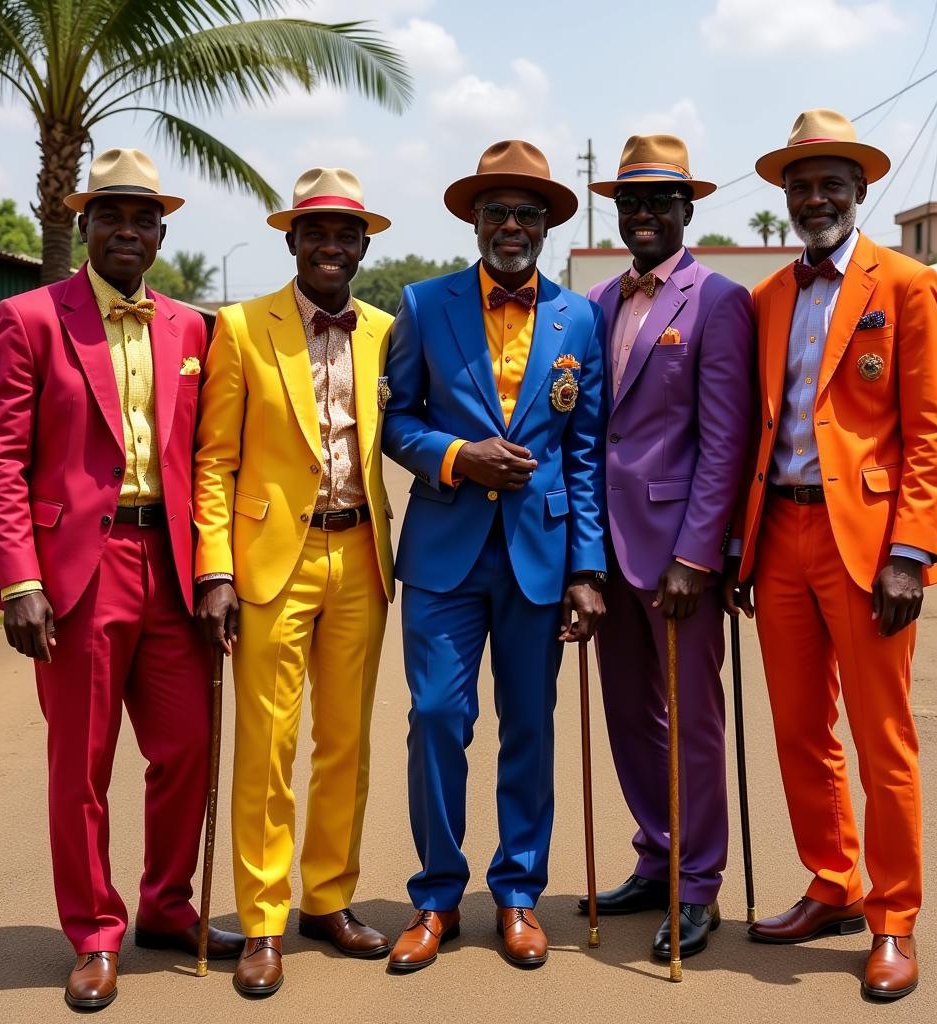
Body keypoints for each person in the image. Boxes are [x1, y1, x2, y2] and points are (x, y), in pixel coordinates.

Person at [0, 148, 243, 1011]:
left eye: (143, 219)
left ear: (162, 233)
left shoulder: (192, 328)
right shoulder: (30, 317)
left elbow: (208, 459)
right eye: (111, 216)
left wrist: (214, 569)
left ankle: (167, 905)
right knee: (79, 765)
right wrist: (18, 582)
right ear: (84, 225)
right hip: (75, 574)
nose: (128, 231)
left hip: (170, 567)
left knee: (188, 749)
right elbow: (0, 457)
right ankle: (94, 932)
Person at [724, 109, 937, 1001]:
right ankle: (835, 884)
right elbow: (759, 426)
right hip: (780, 534)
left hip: (869, 546)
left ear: (861, 192)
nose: (815, 198)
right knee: (797, 729)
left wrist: (910, 548)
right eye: (800, 185)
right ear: (783, 197)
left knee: (882, 736)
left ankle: (895, 918)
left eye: (831, 183)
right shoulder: (767, 298)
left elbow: (932, 433)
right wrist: (741, 547)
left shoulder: (901, 284)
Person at [382, 140, 607, 972]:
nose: (510, 226)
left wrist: (588, 568)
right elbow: (397, 420)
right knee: (437, 717)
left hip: (539, 556)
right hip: (443, 551)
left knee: (530, 727)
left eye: (526, 214)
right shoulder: (423, 302)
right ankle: (437, 896)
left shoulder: (578, 317)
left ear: (546, 226)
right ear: (473, 222)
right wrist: (455, 454)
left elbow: (584, 449)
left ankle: (518, 894)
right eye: (495, 212)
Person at [193, 168, 395, 997]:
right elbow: (215, 460)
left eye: (346, 235)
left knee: (345, 743)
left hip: (359, 554)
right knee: (267, 748)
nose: (331, 247)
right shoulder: (241, 327)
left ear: (363, 246)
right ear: (292, 241)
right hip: (272, 561)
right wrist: (215, 567)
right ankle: (264, 919)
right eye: (316, 233)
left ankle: (329, 899)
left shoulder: (386, 328)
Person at [581, 134, 753, 960]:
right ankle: (657, 856)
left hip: (677, 555)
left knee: (692, 721)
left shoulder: (718, 300)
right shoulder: (602, 303)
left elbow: (725, 441)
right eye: (631, 204)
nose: (644, 215)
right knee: (629, 716)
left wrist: (699, 555)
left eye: (660, 202)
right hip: (608, 553)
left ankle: (699, 885)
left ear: (689, 211)